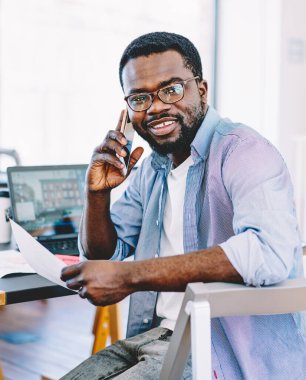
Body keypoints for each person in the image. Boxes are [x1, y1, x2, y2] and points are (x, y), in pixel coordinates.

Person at [61, 32, 306, 379]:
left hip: (219, 353)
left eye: (172, 89)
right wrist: (97, 194)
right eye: (140, 98)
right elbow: (104, 257)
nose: (156, 106)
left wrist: (131, 276)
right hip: (153, 337)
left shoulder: (245, 152)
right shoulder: (152, 168)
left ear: (201, 91)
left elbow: (268, 252)